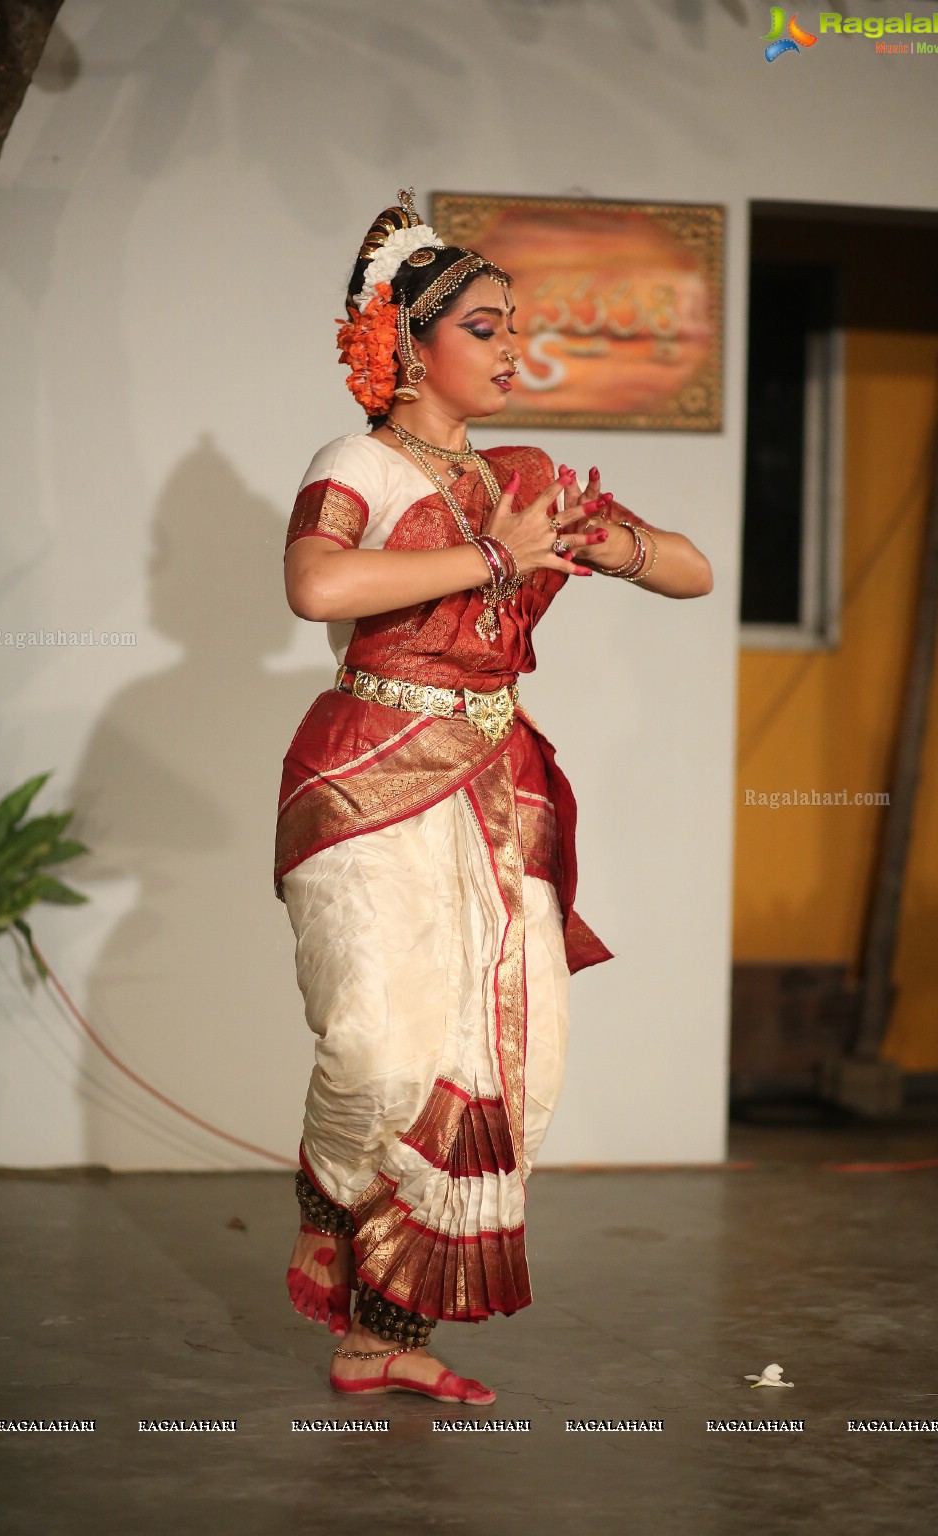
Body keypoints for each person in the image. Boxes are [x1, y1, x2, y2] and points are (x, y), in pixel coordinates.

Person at [275, 188, 712, 1405]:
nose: (517, 347)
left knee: (507, 1067)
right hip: (366, 770)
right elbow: (317, 586)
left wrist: (598, 543)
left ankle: (383, 1337)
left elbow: (691, 568)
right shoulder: (353, 460)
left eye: (517, 324)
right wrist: (493, 557)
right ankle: (337, 1226)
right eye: (487, 325)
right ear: (409, 346)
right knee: (373, 1048)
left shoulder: (520, 473)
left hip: (497, 785)